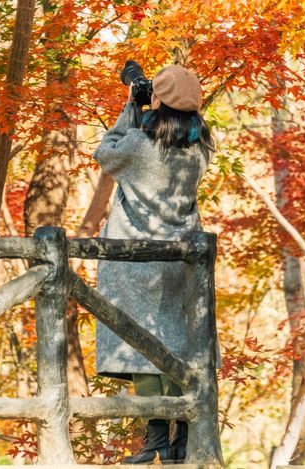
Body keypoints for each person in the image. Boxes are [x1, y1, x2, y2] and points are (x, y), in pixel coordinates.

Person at [93, 63, 214, 465]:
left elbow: (104, 152)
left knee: (140, 346)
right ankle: (182, 438)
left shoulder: (137, 147)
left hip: (133, 261)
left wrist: (131, 105)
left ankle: (156, 436)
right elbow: (182, 124)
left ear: (156, 104)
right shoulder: (200, 150)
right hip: (180, 260)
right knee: (176, 345)